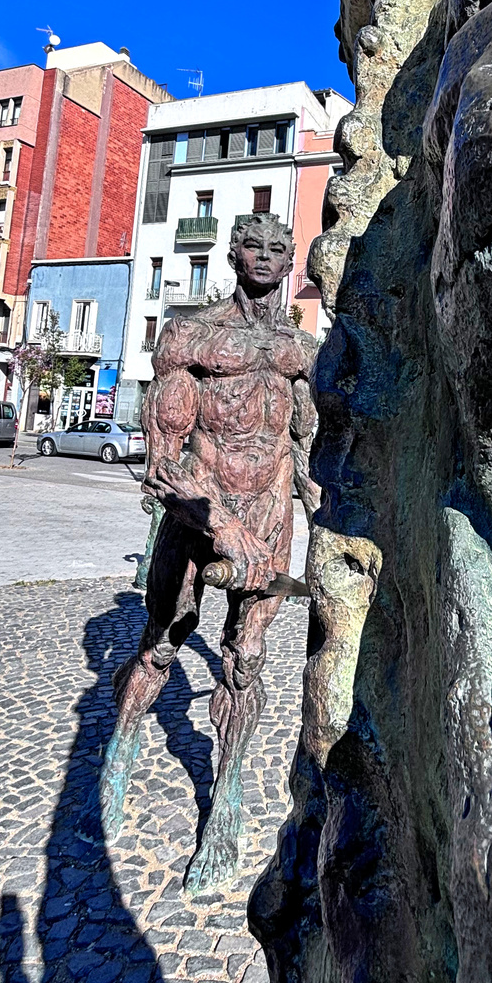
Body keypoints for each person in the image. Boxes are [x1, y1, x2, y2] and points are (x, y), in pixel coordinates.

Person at [100, 211, 319, 893]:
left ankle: (226, 800)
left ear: (290, 265)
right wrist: (225, 531)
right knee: (164, 643)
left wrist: (321, 498)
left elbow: (306, 442)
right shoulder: (192, 336)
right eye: (252, 244)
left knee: (245, 662)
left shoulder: (299, 348)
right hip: (202, 515)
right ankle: (121, 749)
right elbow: (165, 465)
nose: (264, 255)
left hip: (270, 510)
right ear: (232, 254)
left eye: (278, 248)